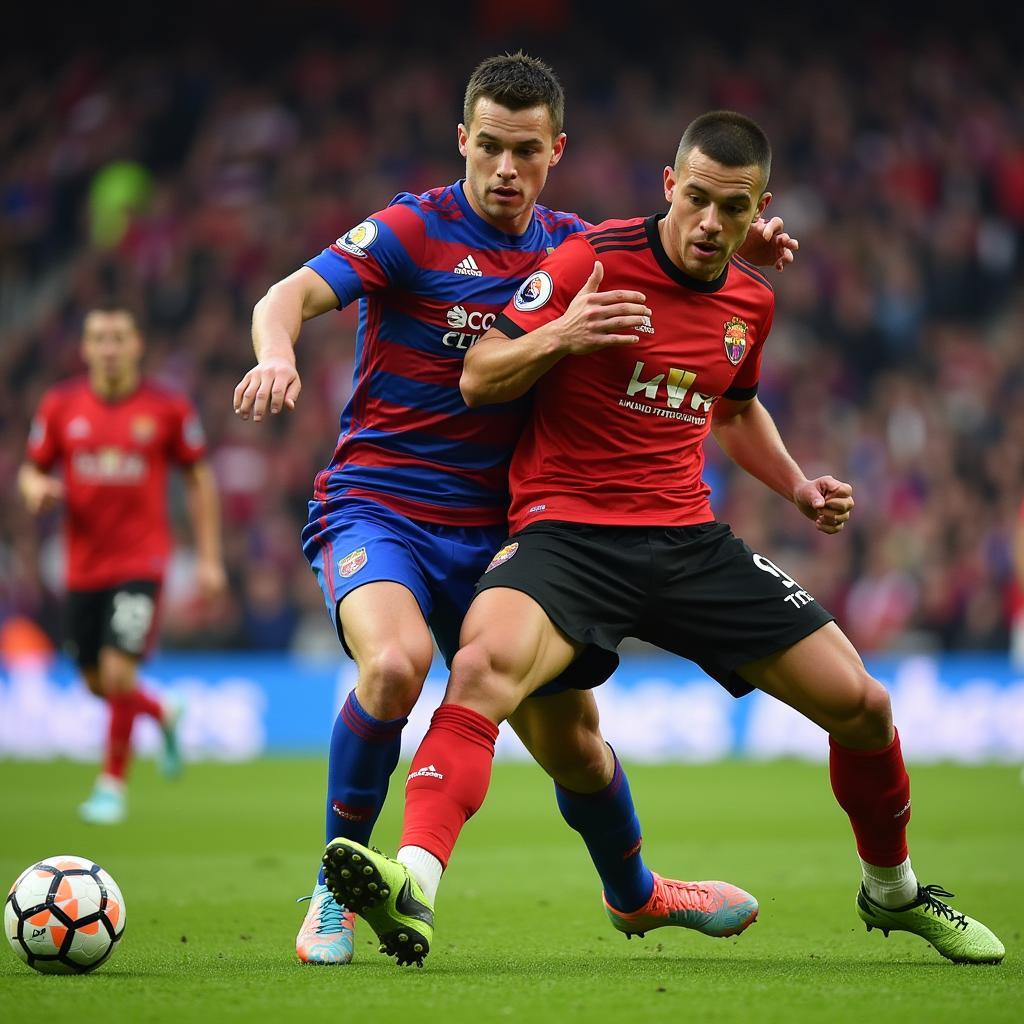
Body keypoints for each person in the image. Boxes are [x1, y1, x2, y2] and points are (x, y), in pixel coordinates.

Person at [322, 110, 1006, 968]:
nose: (711, 224)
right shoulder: (590, 260)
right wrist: (566, 331)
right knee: (481, 668)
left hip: (688, 541)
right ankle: (413, 876)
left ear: (761, 207)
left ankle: (894, 891)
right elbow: (479, 372)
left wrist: (795, 483)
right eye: (697, 200)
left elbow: (736, 406)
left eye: (733, 207)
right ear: (668, 188)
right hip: (565, 535)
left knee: (864, 706)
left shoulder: (752, 298)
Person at [234, 55, 796, 965]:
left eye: (524, 151)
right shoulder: (414, 229)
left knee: (575, 744)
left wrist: (739, 243)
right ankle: (330, 893)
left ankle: (640, 894)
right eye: (487, 146)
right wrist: (277, 354)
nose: (504, 168)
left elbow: (668, 239)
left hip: (506, 533)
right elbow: (286, 295)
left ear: (555, 152)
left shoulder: (573, 244)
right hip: (381, 508)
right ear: (462, 139)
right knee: (396, 665)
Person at [19, 304, 226, 824]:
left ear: (137, 346)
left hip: (142, 560)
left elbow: (199, 479)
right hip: (82, 565)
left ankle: (111, 784)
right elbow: (31, 470)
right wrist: (36, 489)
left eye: (118, 338)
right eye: (99, 339)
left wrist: (208, 558)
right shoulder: (61, 405)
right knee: (94, 680)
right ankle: (162, 710)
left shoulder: (167, 408)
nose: (109, 348)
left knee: (116, 671)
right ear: (86, 348)